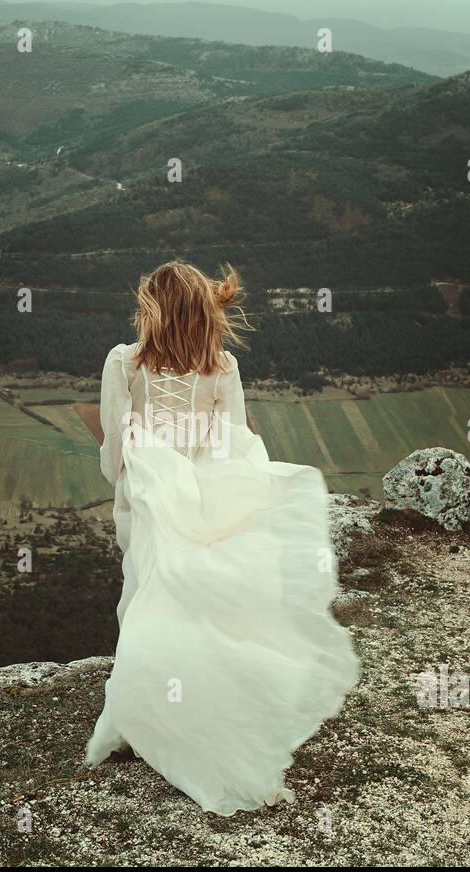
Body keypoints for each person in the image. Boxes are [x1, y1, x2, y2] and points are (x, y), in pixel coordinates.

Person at [85, 260, 359, 815]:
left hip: (146, 503)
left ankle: (144, 715)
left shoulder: (124, 363)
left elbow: (115, 445)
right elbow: (233, 442)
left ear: (153, 311)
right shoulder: (223, 367)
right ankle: (197, 706)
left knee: (142, 600)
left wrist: (123, 480)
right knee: (194, 606)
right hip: (205, 501)